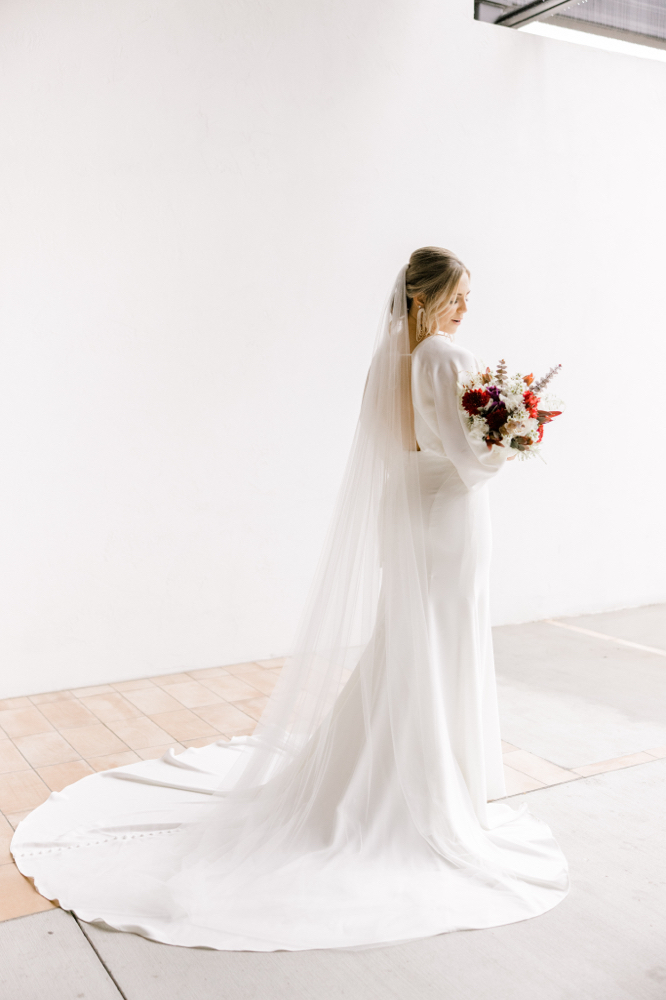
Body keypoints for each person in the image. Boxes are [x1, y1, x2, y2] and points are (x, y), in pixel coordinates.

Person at [12, 247, 568, 951]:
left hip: (407, 508)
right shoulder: (444, 357)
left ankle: (405, 773)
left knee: (409, 639)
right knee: (441, 636)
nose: (466, 307)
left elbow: (403, 447)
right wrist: (514, 440)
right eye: (457, 294)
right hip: (447, 514)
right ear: (425, 298)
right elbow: (468, 459)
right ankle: (437, 789)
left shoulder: (389, 361)